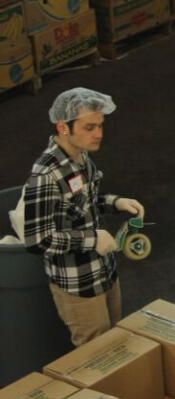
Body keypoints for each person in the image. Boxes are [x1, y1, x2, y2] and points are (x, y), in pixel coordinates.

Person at [22, 89, 143, 346]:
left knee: (117, 345)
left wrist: (115, 203)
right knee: (97, 356)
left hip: (105, 272)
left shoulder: (82, 158)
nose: (98, 134)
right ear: (63, 127)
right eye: (89, 127)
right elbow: (38, 240)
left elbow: (83, 203)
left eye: (100, 126)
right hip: (79, 284)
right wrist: (91, 240)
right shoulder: (46, 176)